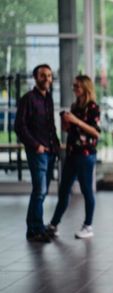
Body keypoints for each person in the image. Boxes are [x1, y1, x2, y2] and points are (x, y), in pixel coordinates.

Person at [46, 75, 101, 239]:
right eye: (73, 86)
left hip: (85, 155)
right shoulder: (75, 105)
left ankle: (88, 226)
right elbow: (69, 130)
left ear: (85, 87)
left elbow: (96, 132)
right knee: (64, 191)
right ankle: (54, 224)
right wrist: (66, 122)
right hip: (71, 154)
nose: (74, 89)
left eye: (77, 86)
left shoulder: (92, 107)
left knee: (86, 190)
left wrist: (76, 121)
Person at [15, 64, 60, 243]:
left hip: (50, 152)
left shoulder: (48, 98)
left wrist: (55, 145)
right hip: (38, 152)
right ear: (35, 78)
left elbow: (50, 126)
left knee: (42, 191)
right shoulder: (28, 99)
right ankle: (35, 230)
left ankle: (35, 227)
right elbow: (19, 126)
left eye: (49, 76)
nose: (47, 79)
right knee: (39, 191)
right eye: (43, 75)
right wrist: (36, 146)